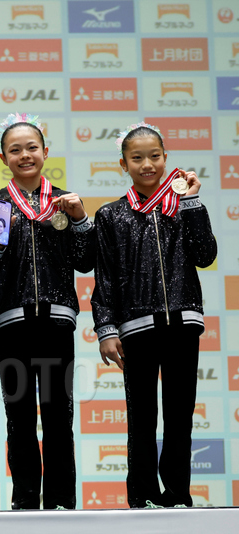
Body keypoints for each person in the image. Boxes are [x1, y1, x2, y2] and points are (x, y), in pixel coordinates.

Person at [0, 113, 96, 510]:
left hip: (57, 322)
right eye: (15, 149)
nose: (24, 155)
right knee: (19, 416)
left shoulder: (66, 202)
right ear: (3, 158)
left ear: (45, 152)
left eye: (32, 148)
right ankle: (24, 502)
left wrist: (80, 220)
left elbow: (86, 261)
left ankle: (61, 503)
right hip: (12, 324)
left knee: (59, 417)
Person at [92, 122, 217, 508]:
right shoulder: (110, 215)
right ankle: (142, 496)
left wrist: (192, 202)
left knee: (180, 415)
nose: (147, 164)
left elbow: (205, 255)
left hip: (183, 323)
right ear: (123, 164)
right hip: (135, 328)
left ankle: (178, 495)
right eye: (137, 158)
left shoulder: (184, 206)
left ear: (165, 158)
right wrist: (106, 328)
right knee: (141, 417)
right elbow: (105, 277)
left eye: (154, 156)